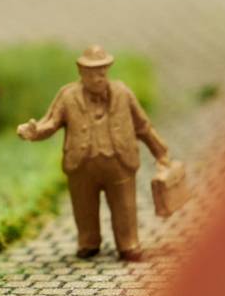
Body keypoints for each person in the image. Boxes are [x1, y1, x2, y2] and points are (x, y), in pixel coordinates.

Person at [17, 46, 174, 262]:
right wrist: (34, 132)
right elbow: (50, 123)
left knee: (125, 206)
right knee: (84, 207)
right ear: (81, 72)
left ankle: (128, 243)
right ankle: (88, 241)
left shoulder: (123, 93)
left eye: (101, 71)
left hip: (120, 161)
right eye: (91, 72)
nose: (98, 77)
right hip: (81, 165)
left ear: (108, 69)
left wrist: (160, 152)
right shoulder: (67, 96)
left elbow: (142, 125)